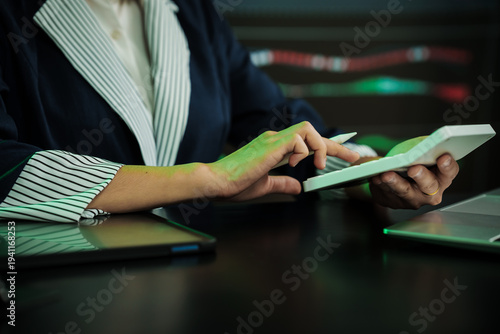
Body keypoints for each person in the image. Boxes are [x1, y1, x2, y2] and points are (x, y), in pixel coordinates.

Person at [0, 0, 459, 223]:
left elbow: (274, 119)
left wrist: (373, 171)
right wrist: (206, 179)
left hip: (186, 282)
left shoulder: (191, 12)